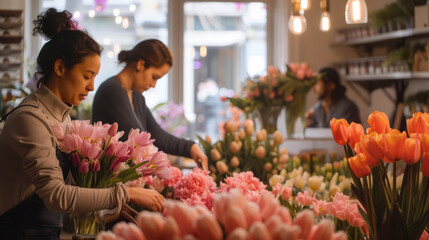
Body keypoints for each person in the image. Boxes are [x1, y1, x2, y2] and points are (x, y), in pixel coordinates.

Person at [0, 9, 164, 239]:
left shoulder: (61, 116)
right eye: (87, 75)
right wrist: (125, 194)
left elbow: (71, 188)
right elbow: (57, 195)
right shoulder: (31, 119)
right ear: (59, 68)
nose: (91, 87)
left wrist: (112, 207)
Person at [91, 39, 208, 170]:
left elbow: (156, 135)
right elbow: (141, 143)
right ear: (140, 64)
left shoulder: (136, 97)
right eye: (154, 77)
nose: (153, 85)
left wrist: (190, 147)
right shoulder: (112, 90)